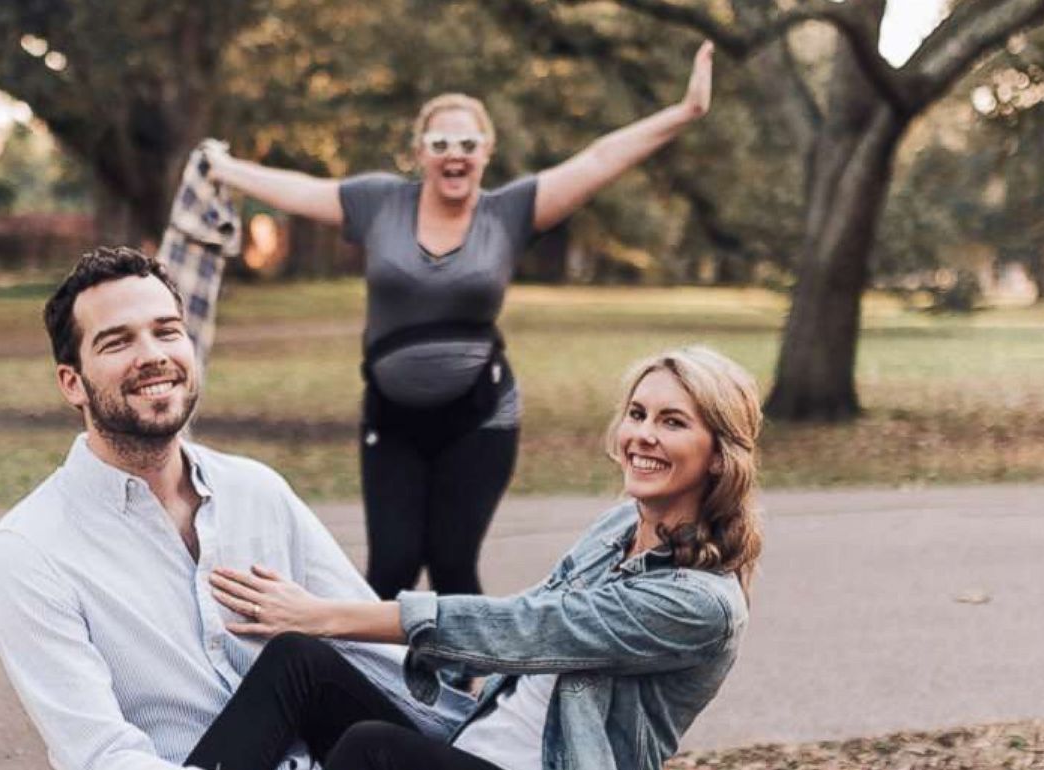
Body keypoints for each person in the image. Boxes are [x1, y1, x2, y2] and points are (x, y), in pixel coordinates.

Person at [91, 345, 763, 770]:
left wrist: (331, 614)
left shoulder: (701, 603)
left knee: (374, 749)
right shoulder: (623, 525)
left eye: (673, 422)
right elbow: (532, 644)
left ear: (719, 451)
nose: (643, 435)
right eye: (638, 413)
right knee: (299, 659)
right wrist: (326, 636)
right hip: (474, 764)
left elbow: (532, 626)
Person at [0, 246, 525, 770]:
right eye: (118, 340)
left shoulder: (256, 492)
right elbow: (104, 767)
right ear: (72, 381)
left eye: (167, 330)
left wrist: (494, 729)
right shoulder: (33, 548)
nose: (152, 354)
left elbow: (366, 658)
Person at [203, 43, 717, 601]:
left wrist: (685, 111)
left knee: (452, 564)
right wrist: (226, 169)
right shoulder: (380, 203)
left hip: (481, 419)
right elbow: (302, 191)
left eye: (468, 144)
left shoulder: (509, 212)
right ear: (420, 152)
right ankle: (374, 685)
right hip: (391, 418)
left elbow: (596, 160)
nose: (455, 155)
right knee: (392, 567)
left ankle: (466, 689)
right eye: (441, 143)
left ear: (486, 151)